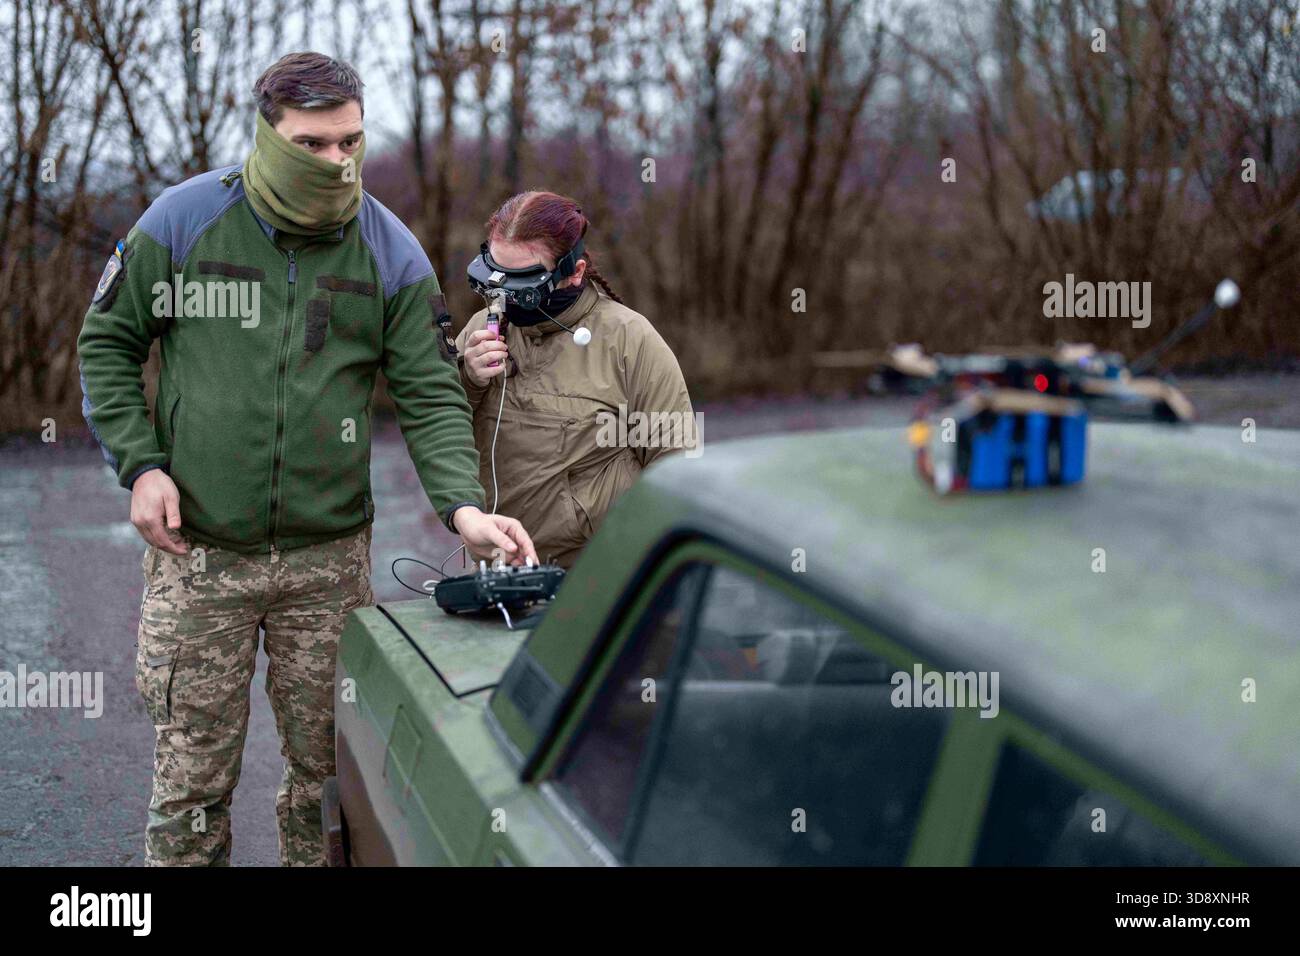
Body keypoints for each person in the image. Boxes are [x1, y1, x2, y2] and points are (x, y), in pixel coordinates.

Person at [76, 52, 536, 867]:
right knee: (190, 790)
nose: (336, 162)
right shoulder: (184, 222)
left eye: (350, 142)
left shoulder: (387, 250)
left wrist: (464, 509)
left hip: (326, 565)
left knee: (329, 784)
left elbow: (429, 392)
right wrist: (141, 466)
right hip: (201, 559)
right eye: (314, 144)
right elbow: (107, 343)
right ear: (269, 135)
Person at [456, 191, 696, 570]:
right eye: (496, 276)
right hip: (500, 569)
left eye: (523, 282)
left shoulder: (629, 340)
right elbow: (441, 432)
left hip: (599, 572)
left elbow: (677, 469)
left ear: (575, 272)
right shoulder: (480, 331)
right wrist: (468, 378)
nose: (502, 295)